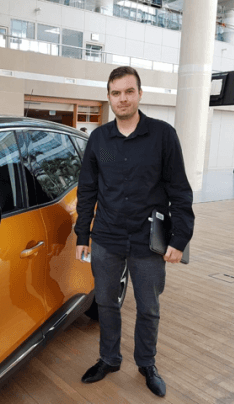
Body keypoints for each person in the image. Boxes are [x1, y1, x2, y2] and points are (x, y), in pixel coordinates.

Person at [74, 66, 194, 398]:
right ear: (109, 97)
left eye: (129, 91)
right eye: (116, 93)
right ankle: (109, 359)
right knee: (105, 303)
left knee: (148, 307)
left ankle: (146, 364)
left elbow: (179, 190)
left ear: (140, 94)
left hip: (148, 240)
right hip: (107, 237)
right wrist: (82, 235)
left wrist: (180, 238)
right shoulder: (100, 140)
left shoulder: (162, 135)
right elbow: (88, 190)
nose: (122, 98)